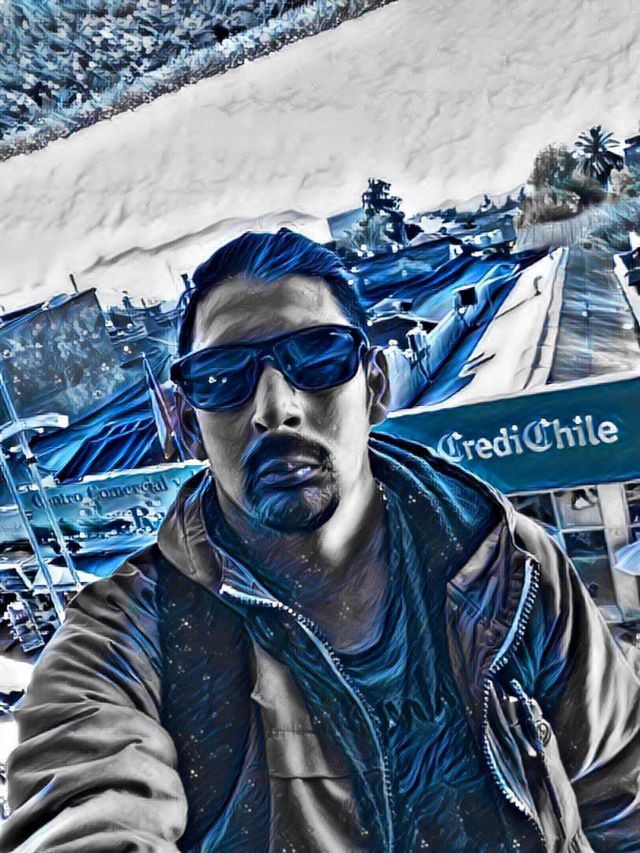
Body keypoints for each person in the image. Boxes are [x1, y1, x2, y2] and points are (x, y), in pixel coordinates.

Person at [2, 230, 639, 853]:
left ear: (376, 385)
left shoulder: (510, 568)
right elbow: (83, 802)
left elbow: (623, 798)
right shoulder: (128, 639)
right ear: (186, 426)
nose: (275, 408)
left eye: (318, 356)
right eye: (222, 378)